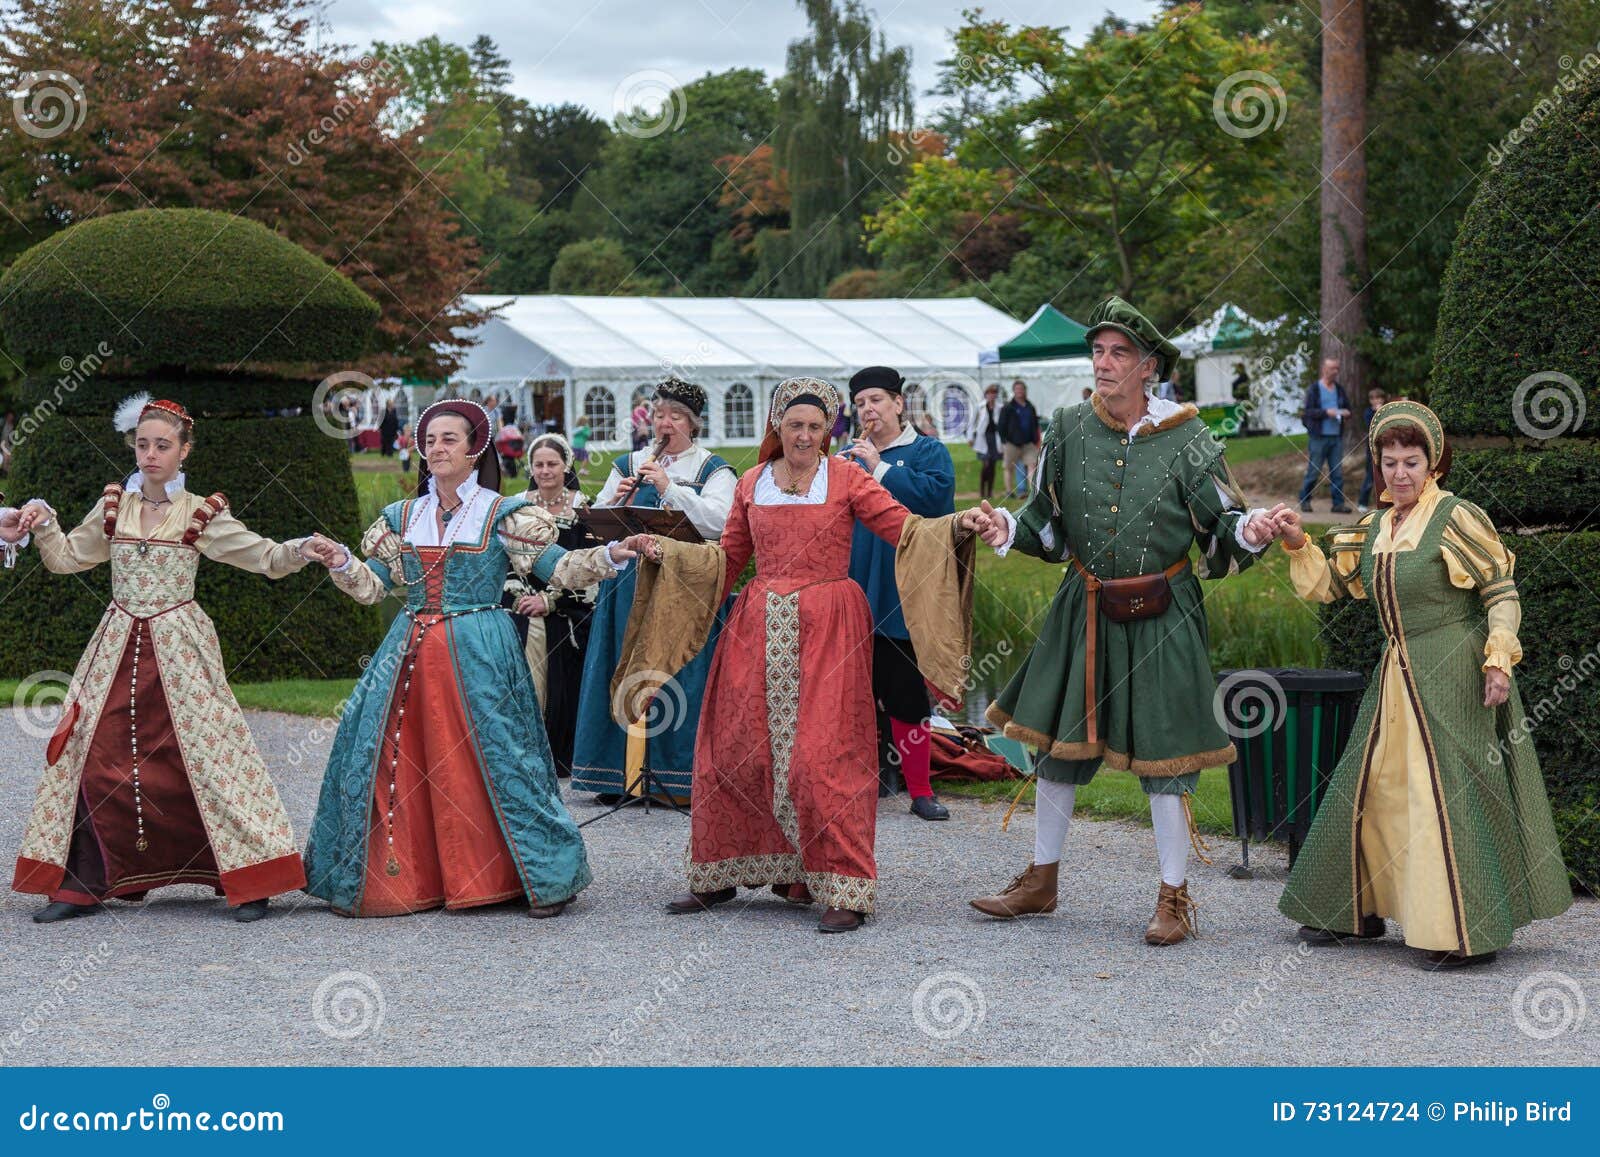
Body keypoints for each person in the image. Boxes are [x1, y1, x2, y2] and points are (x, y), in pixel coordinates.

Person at [616, 378, 1001, 932]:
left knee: (824, 757)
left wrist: (959, 524)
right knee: (733, 750)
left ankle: (843, 884)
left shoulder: (846, 478)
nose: (804, 435)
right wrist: (668, 553)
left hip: (831, 629)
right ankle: (722, 871)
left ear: (829, 431)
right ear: (778, 427)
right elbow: (726, 560)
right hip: (755, 626)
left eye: (815, 427)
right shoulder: (751, 483)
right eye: (794, 425)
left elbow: (905, 529)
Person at [970, 297, 1282, 945]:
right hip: (1082, 605)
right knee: (1056, 743)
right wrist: (1006, 528)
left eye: (1118, 354)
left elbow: (1220, 526)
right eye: (1098, 351)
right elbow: (1047, 527)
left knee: (1166, 754)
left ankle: (1173, 897)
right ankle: (1042, 879)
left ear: (1149, 368)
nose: (1103, 364)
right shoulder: (1067, 428)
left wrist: (1249, 529)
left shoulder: (1191, 440)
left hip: (1163, 612)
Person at [300, 399, 634, 919]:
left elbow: (558, 567)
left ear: (475, 448)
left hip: (480, 649)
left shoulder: (503, 514)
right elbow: (371, 588)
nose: (437, 448)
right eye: (430, 439)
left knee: (504, 756)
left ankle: (533, 875)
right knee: (387, 754)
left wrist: (609, 555)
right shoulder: (401, 518)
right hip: (408, 651)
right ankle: (404, 874)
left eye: (449, 439)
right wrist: (342, 560)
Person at [1272, 400, 1571, 969]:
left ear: (1432, 465)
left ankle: (1459, 927)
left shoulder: (1457, 517)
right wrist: (1293, 539)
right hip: (1396, 674)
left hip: (1453, 670)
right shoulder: (1375, 526)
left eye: (1411, 462)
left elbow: (1500, 593)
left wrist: (1497, 658)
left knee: (1441, 792)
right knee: (1377, 785)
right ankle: (1354, 910)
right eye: (1389, 462)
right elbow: (1331, 584)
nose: (1399, 473)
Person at [1, 395, 313, 924]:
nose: (150, 454)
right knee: (93, 754)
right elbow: (65, 560)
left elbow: (262, 556)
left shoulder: (201, 513)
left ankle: (248, 877)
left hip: (181, 647)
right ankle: (82, 882)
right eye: (142, 444)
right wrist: (41, 523)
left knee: (208, 755)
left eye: (162, 445)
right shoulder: (112, 508)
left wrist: (302, 548)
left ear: (184, 451)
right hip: (116, 643)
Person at [571, 379, 736, 805]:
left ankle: (675, 779)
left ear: (693, 424)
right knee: (623, 662)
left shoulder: (713, 469)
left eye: (675, 417)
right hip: (628, 586)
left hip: (683, 587)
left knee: (676, 666)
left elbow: (719, 524)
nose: (665, 423)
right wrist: (617, 500)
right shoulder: (629, 462)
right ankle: (617, 775)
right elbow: (596, 522)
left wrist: (667, 487)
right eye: (659, 415)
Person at [842, 366, 957, 821]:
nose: (868, 410)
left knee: (906, 691)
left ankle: (920, 790)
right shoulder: (847, 458)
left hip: (903, 587)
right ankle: (858, 782)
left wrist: (880, 467)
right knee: (853, 693)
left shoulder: (928, 450)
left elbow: (935, 502)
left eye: (876, 400)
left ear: (897, 404)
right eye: (861, 403)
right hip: (855, 586)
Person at [503, 433, 595, 777]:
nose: (544, 470)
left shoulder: (583, 508)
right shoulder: (515, 508)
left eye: (552, 464)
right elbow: (504, 563)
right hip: (517, 598)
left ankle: (551, 750)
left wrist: (548, 600)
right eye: (538, 464)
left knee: (546, 632)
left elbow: (588, 567)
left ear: (566, 465)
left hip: (570, 605)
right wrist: (519, 595)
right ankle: (512, 750)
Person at [1298, 357, 1353, 514]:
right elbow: (1308, 412)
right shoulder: (1314, 389)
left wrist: (1346, 413)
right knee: (1313, 470)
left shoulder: (1339, 389)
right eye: (1332, 368)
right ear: (1324, 369)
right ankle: (1305, 500)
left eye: (1337, 369)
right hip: (1318, 437)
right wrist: (1325, 413)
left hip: (1336, 437)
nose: (1335, 372)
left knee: (1337, 472)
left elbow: (1348, 409)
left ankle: (1338, 504)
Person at [997, 379, 1041, 499]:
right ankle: (1009, 491)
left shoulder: (1030, 406)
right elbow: (1001, 425)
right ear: (1014, 391)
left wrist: (1036, 439)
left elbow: (1035, 423)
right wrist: (1004, 440)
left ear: (1024, 390)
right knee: (1008, 467)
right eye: (1017, 389)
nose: (1019, 391)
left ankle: (1033, 492)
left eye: (1021, 389)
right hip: (1012, 443)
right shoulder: (1008, 407)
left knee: (1032, 465)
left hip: (1028, 443)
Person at [969, 383, 1003, 500]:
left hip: (995, 438)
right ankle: (982, 490)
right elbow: (972, 423)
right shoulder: (980, 407)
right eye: (990, 393)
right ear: (986, 395)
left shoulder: (1000, 407)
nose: (992, 396)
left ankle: (990, 491)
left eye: (994, 393)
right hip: (982, 438)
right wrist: (970, 437)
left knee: (993, 465)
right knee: (986, 464)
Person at [1357, 386, 1387, 512]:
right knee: (1370, 476)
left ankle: (1385, 503)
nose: (1375, 401)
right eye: (1373, 398)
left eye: (1378, 398)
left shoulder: (1387, 411)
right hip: (1372, 449)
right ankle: (1362, 502)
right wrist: (1376, 412)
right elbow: (1371, 425)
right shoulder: (1368, 413)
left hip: (1385, 448)